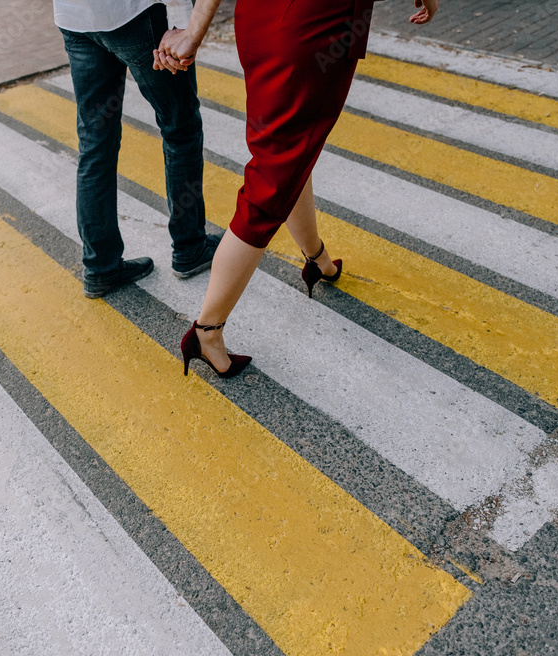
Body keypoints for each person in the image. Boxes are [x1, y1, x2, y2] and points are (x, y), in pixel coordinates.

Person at [154, 0, 440, 377]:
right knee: (272, 179)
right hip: (314, 26)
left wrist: (195, 30)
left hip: (261, 21)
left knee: (290, 155)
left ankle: (316, 258)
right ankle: (207, 330)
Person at [53, 0, 222, 299]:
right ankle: (189, 246)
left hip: (75, 18)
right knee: (180, 128)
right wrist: (182, 22)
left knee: (94, 141)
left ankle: (100, 267)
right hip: (137, 14)